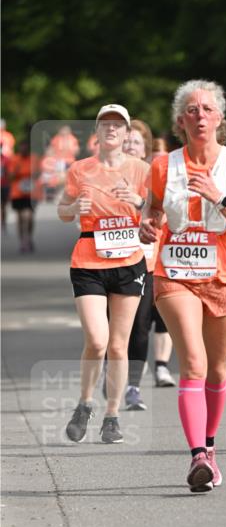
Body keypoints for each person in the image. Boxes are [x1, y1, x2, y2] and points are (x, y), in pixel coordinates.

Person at [140, 80, 226, 492]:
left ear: (220, 118)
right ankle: (196, 457)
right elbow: (152, 212)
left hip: (224, 278)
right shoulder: (163, 166)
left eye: (207, 109)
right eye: (191, 110)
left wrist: (219, 198)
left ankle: (210, 446)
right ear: (180, 121)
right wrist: (147, 225)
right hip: (175, 275)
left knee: (217, 367)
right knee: (192, 362)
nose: (200, 116)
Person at [58, 104, 149, 444]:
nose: (111, 129)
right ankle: (84, 404)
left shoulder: (142, 169)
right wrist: (72, 208)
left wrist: (138, 202)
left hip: (128, 262)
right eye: (105, 124)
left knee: (118, 344)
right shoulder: (80, 169)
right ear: (96, 132)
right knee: (97, 340)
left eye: (118, 125)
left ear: (127, 133)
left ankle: (112, 416)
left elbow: (160, 214)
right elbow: (62, 210)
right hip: (88, 261)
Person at [122, 120, 175, 410]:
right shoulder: (107, 173)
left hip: (149, 261)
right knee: (115, 327)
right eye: (126, 141)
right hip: (112, 261)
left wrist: (140, 202)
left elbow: (168, 214)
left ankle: (133, 386)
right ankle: (111, 369)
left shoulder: (155, 176)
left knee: (142, 324)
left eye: (136, 142)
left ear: (145, 148)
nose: (130, 146)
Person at [9, 140, 40, 252]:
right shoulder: (14, 159)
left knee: (29, 217)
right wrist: (16, 171)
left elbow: (38, 173)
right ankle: (22, 240)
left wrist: (35, 174)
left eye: (25, 147)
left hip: (31, 193)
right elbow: (10, 177)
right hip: (17, 193)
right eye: (21, 147)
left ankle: (29, 238)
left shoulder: (34, 158)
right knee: (20, 218)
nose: (23, 150)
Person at [1, 118, 15, 229]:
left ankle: (3, 222)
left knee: (4, 204)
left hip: (6, 163)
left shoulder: (9, 136)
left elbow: (11, 149)